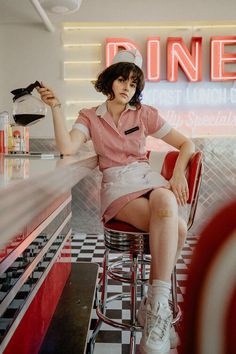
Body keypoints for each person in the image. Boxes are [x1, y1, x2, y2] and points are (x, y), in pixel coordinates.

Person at [37, 49, 195, 354]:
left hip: (146, 178)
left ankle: (154, 307)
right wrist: (56, 108)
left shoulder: (145, 113)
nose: (127, 87)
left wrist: (177, 175)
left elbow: (187, 143)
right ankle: (153, 308)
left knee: (166, 201)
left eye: (134, 83)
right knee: (177, 227)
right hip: (116, 186)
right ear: (110, 81)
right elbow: (68, 147)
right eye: (122, 79)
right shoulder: (89, 116)